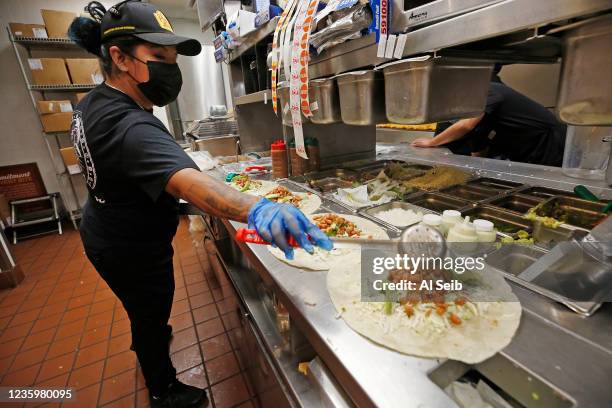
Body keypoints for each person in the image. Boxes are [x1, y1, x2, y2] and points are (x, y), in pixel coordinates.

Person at [68, 2, 332, 407]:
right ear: (119, 58)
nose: (169, 71)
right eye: (158, 58)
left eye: (171, 60)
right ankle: (163, 387)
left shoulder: (92, 104)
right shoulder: (129, 123)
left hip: (105, 227)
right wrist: (258, 209)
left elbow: (125, 170)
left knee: (145, 309)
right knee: (149, 309)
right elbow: (191, 182)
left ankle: (150, 330)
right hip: (130, 247)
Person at [412, 82, 567, 166]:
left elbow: (466, 126)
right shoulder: (478, 110)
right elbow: (478, 136)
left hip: (548, 144)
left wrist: (432, 142)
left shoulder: (488, 92)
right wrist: (476, 166)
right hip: (525, 149)